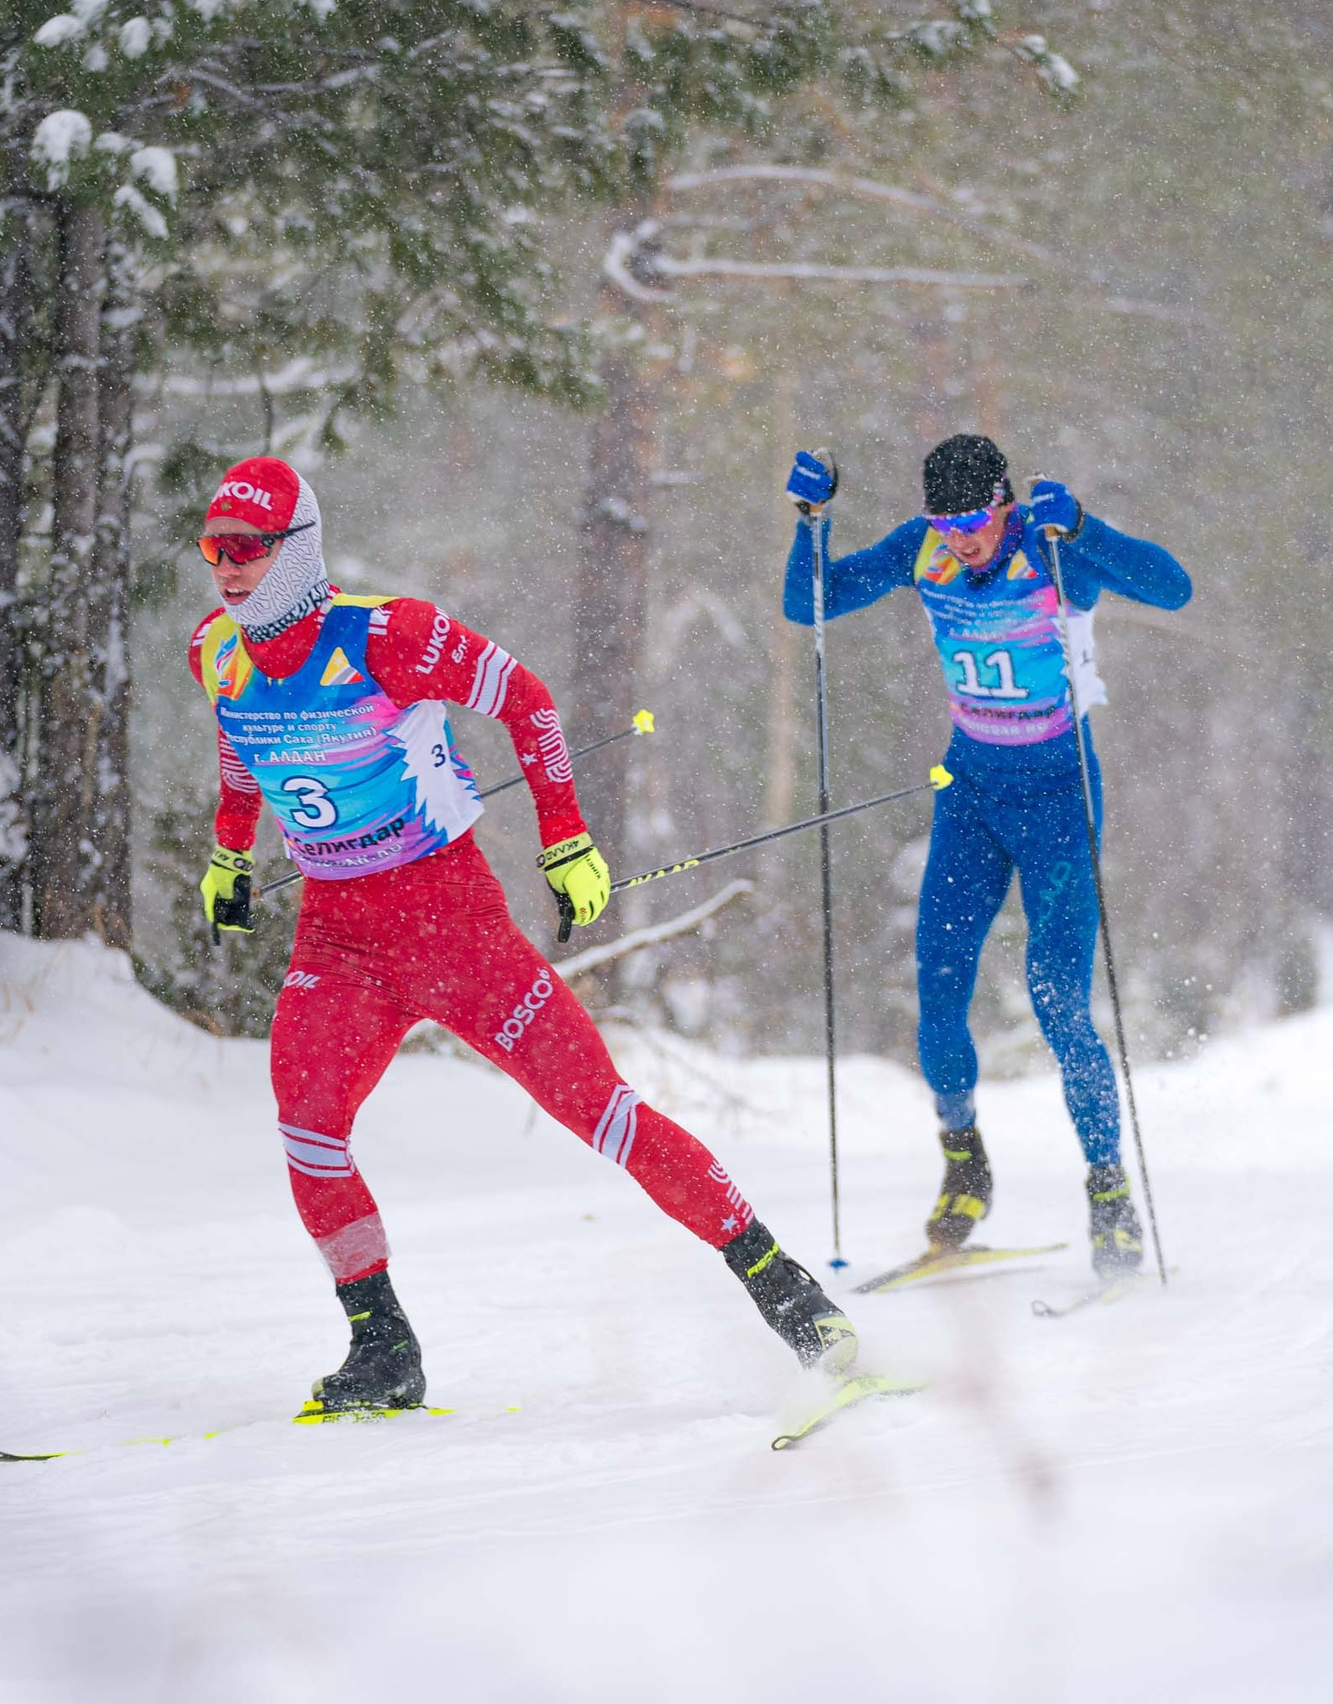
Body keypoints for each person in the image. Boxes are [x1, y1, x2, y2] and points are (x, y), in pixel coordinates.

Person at [188, 456, 855, 1411]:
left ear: (297, 552)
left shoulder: (391, 637)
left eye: (248, 549)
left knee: (602, 1112)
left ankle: (793, 1296)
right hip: (336, 938)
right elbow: (238, 751)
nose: (228, 568)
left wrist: (566, 838)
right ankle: (383, 1347)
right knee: (307, 1124)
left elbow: (529, 699)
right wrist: (231, 855)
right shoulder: (216, 650)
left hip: (452, 924)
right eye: (215, 548)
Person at [781, 435, 1191, 1279]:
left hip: (1057, 801)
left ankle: (1109, 1189)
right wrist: (811, 521)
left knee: (1057, 998)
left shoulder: (1050, 551)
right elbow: (809, 603)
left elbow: (1173, 587)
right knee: (937, 986)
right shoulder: (922, 548)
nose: (960, 538)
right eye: (946, 521)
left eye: (973, 520)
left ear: (1003, 502)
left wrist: (1083, 525)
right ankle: (965, 1159)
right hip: (969, 791)